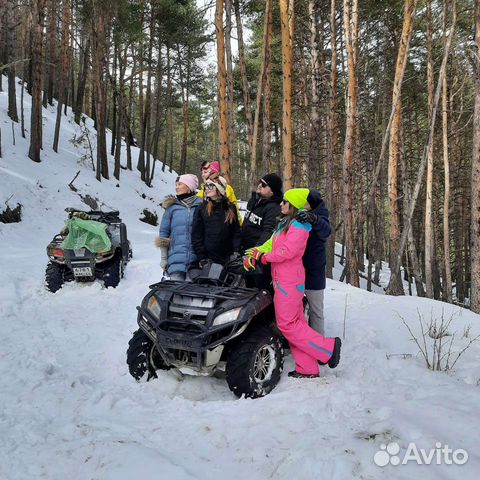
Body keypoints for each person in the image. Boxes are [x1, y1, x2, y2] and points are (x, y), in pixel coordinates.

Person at [244, 188, 341, 378]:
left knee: (287, 324)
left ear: (294, 206)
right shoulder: (285, 224)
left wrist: (264, 258)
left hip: (290, 283)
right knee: (296, 324)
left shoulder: (300, 226)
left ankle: (328, 348)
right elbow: (271, 244)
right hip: (283, 281)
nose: (281, 204)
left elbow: (287, 252)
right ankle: (307, 368)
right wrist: (253, 253)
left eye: (285, 202)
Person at [296, 189, 331, 335]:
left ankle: (319, 342)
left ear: (312, 204)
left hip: (314, 268)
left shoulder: (321, 215)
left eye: (305, 201)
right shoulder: (298, 212)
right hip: (296, 267)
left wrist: (314, 219)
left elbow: (326, 231)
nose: (302, 204)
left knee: (316, 308)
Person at [156, 174, 202, 281]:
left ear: (189, 187)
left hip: (196, 263)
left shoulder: (201, 206)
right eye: (176, 184)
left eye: (180, 184)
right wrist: (164, 258)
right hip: (175, 261)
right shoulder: (171, 208)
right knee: (175, 294)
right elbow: (163, 234)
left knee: (193, 295)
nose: (176, 187)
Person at [241, 173, 283, 290]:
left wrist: (256, 252)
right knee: (248, 286)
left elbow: (268, 232)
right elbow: (246, 223)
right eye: (260, 182)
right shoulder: (253, 200)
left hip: (259, 256)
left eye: (264, 185)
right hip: (246, 251)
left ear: (272, 192)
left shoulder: (274, 207)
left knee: (261, 288)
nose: (260, 185)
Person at [192, 176, 241, 265]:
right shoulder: (201, 208)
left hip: (228, 258)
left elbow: (236, 232)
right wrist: (202, 256)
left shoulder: (230, 208)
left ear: (219, 189)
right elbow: (197, 235)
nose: (207, 189)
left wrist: (236, 251)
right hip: (208, 258)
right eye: (206, 186)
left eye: (211, 186)